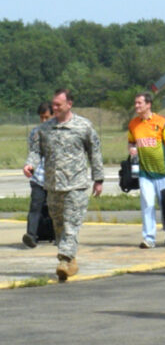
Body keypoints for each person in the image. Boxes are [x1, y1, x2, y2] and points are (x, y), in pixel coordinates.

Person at [23, 88, 104, 282]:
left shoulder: (83, 126)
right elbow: (36, 151)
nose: (55, 107)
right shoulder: (44, 129)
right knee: (59, 226)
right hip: (52, 186)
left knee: (71, 224)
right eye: (54, 104)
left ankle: (64, 260)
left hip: (76, 185)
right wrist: (30, 164)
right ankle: (71, 260)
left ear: (69, 104)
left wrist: (98, 179)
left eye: (59, 104)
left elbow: (95, 153)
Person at [128, 92, 165, 248]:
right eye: (135, 103)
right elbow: (131, 143)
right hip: (145, 173)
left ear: (148, 104)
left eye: (140, 103)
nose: (137, 106)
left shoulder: (162, 123)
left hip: (162, 172)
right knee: (148, 204)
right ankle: (149, 238)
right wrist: (132, 149)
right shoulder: (133, 124)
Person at [22, 102, 53, 248]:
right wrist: (29, 166)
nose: (44, 121)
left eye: (47, 117)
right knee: (35, 206)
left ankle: (58, 235)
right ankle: (31, 236)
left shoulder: (61, 132)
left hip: (55, 178)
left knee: (56, 209)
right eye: (42, 117)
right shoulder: (35, 132)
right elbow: (34, 153)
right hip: (39, 177)